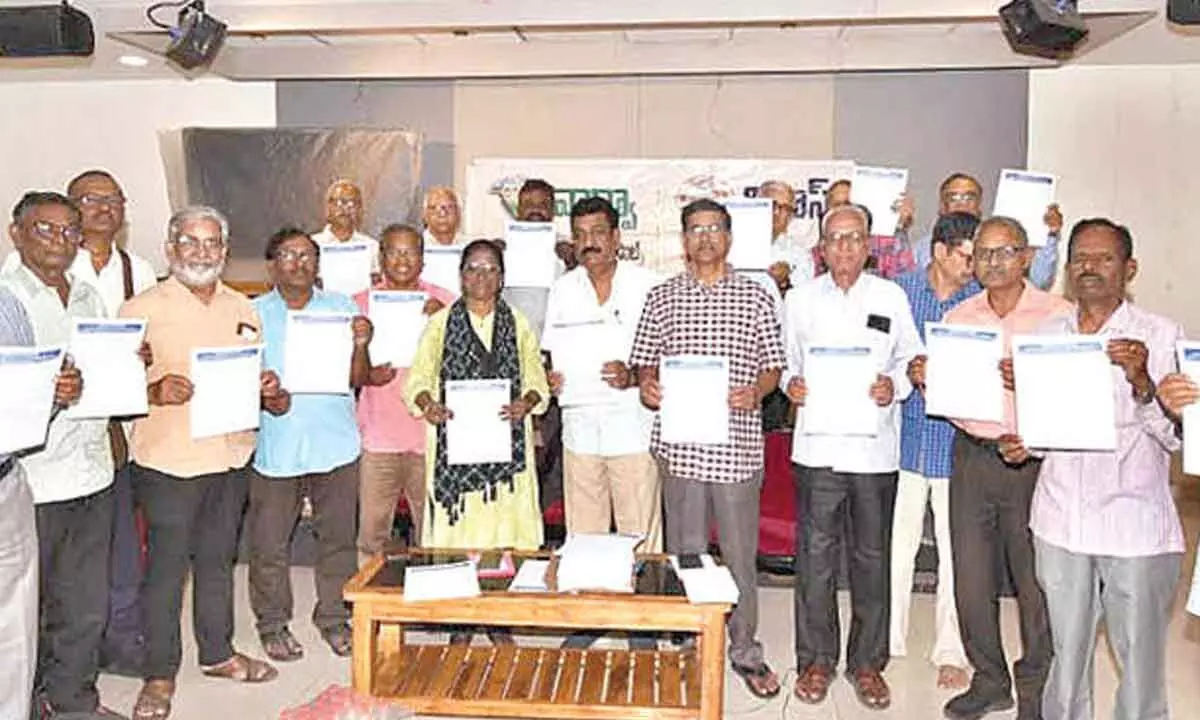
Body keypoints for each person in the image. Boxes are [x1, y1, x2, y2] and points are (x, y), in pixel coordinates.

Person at [996, 218, 1184, 720]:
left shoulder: (1160, 336)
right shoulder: (1047, 334)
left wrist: (1143, 381)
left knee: (1139, 661)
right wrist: (1025, 445)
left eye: (1104, 258)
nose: (1089, 268)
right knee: (1067, 655)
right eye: (1080, 258)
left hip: (1134, 524)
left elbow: (1177, 437)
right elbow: (1048, 427)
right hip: (1060, 520)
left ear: (1129, 269)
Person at [120, 206, 283, 720]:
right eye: (189, 241)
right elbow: (113, 385)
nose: (201, 252)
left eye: (211, 242)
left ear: (224, 251)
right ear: (170, 248)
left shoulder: (243, 306)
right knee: (166, 573)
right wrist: (153, 390)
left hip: (230, 456)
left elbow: (253, 368)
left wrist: (265, 385)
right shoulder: (139, 308)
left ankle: (218, 654)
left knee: (217, 564)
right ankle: (159, 674)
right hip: (169, 460)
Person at [630, 198, 785, 699]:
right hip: (682, 449)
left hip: (736, 446)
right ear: (683, 240)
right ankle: (692, 644)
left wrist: (757, 391)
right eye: (695, 229)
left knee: (740, 557)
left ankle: (744, 650)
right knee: (688, 553)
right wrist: (648, 385)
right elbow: (644, 361)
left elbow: (773, 366)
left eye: (714, 228)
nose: (705, 237)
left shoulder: (756, 295)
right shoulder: (662, 296)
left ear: (729, 238)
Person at [930, 216, 1072, 720]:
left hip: (1031, 462)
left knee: (1034, 584)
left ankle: (1035, 687)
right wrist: (930, 376)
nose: (992, 262)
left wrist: (1031, 388)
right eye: (983, 254)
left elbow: (1076, 393)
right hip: (971, 454)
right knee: (971, 577)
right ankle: (989, 680)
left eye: (1004, 251)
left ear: (1027, 257)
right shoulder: (959, 317)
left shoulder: (1058, 316)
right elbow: (949, 392)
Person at [784, 203, 923, 711]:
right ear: (821, 248)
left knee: (871, 560)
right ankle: (816, 660)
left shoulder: (891, 296)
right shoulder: (799, 300)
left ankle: (867, 663)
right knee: (815, 560)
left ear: (868, 245)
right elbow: (787, 363)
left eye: (854, 237)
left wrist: (896, 385)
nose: (844, 247)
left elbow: (911, 358)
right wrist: (791, 385)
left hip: (873, 452)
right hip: (818, 449)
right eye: (835, 238)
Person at [2, 191, 124, 719]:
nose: (60, 240)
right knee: (29, 610)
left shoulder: (87, 294)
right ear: (16, 234)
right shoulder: (8, 299)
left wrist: (126, 361)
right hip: (37, 477)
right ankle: (28, 705)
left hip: (92, 470)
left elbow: (102, 372)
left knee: (86, 603)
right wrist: (51, 394)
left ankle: (74, 701)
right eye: (44, 229)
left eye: (69, 231)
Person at [405, 239, 549, 644]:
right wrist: (428, 404)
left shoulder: (518, 323)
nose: (481, 276)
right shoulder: (440, 325)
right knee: (461, 540)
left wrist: (526, 403)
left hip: (506, 460)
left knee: (501, 541)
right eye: (473, 268)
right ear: (461, 276)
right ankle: (460, 623)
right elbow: (418, 380)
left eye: (490, 269)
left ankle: (497, 619)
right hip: (456, 455)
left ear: (501, 278)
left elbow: (536, 380)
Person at [248, 227, 372, 662]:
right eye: (288, 255)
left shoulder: (341, 308)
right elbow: (239, 378)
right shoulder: (251, 314)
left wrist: (361, 344)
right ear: (272, 265)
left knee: (337, 540)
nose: (298, 263)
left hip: (335, 443)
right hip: (278, 445)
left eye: (306, 256)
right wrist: (263, 392)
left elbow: (358, 378)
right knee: (270, 544)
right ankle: (272, 623)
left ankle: (334, 617)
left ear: (318, 265)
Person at [64, 169, 158, 677]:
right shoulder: (54, 263)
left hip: (118, 429)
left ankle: (122, 639)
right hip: (64, 427)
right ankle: (68, 649)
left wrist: (145, 353)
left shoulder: (137, 270)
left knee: (124, 539)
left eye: (113, 199)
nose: (104, 208)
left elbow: (149, 337)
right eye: (91, 199)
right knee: (72, 549)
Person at [890, 213, 979, 690]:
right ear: (940, 251)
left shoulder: (981, 302)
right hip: (901, 440)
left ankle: (951, 650)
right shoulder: (899, 292)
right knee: (894, 548)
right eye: (967, 256)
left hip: (956, 445)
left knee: (954, 551)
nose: (974, 266)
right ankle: (887, 640)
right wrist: (906, 374)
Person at [353, 224, 454, 562]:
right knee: (372, 535)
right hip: (378, 437)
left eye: (410, 252)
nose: (402, 260)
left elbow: (462, 366)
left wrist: (445, 324)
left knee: (435, 535)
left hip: (430, 436)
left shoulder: (445, 301)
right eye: (394, 252)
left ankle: (433, 595)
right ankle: (369, 595)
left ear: (423, 259)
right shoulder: (360, 304)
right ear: (381, 258)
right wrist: (368, 373)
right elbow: (347, 372)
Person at [0, 285, 44, 720]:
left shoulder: (6, 305)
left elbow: (29, 400)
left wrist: (55, 393)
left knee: (14, 628)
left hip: (6, 485)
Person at [913, 173, 1061, 290]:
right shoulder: (923, 248)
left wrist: (1051, 234)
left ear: (979, 206)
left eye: (969, 197)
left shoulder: (1000, 245)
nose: (962, 203)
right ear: (942, 207)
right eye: (954, 197)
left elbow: (1040, 281)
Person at [312, 179, 379, 294]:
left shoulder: (372, 247)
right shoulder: (311, 244)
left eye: (352, 203)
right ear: (328, 208)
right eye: (339, 202)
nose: (345, 208)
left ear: (360, 210)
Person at [760, 180, 814, 295]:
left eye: (784, 208)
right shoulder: (731, 245)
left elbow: (802, 298)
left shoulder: (799, 254)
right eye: (772, 205)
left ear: (791, 215)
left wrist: (785, 283)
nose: (776, 212)